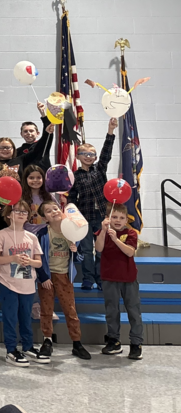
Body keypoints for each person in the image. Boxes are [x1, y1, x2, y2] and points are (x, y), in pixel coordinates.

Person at [35, 201, 89, 362]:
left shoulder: (71, 232)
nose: (54, 212)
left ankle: (77, 342)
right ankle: (47, 340)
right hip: (47, 276)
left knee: (70, 309)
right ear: (45, 218)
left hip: (64, 275)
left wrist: (76, 250)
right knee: (46, 309)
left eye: (56, 208)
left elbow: (79, 258)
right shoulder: (43, 234)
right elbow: (37, 256)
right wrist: (43, 276)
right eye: (49, 211)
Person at [68, 117, 118, 289]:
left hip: (102, 215)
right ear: (79, 156)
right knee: (87, 249)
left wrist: (110, 131)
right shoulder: (75, 175)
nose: (89, 157)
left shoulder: (100, 168)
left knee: (101, 249)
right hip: (85, 216)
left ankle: (101, 277)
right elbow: (72, 197)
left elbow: (107, 152)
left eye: (92, 154)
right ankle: (88, 278)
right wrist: (71, 213)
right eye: (85, 154)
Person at [0, 200, 43, 367]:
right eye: (17, 211)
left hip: (28, 284)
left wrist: (30, 262)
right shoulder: (2, 235)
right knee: (10, 318)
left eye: (24, 212)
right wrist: (13, 258)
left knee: (26, 318)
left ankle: (28, 346)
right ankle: (11, 350)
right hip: (9, 284)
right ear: (8, 215)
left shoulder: (32, 237)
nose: (21, 214)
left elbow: (39, 262)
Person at [96, 203, 143, 360]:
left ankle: (136, 343)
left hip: (128, 278)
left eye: (121, 218)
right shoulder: (104, 232)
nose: (117, 220)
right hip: (109, 278)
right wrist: (103, 231)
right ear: (108, 218)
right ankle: (114, 340)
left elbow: (129, 252)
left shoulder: (131, 233)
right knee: (112, 311)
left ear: (126, 220)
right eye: (114, 217)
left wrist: (115, 239)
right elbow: (99, 248)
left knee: (133, 311)